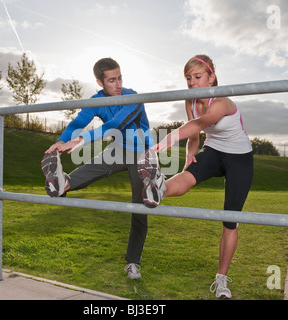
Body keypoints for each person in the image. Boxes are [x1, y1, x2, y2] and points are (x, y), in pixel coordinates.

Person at [138, 54, 253, 299]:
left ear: (211, 77)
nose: (191, 83)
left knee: (229, 219)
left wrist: (170, 137)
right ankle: (158, 188)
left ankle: (221, 279)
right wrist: (190, 154)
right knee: (187, 176)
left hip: (239, 157)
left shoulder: (221, 100)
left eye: (197, 77)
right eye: (188, 78)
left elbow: (202, 122)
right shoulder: (189, 101)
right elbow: (194, 135)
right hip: (213, 151)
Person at [41, 58, 154, 280]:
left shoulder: (134, 97)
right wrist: (61, 142)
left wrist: (81, 140)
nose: (118, 83)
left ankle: (132, 263)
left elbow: (115, 125)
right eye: (112, 80)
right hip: (119, 148)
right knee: (91, 167)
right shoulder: (97, 100)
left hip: (142, 152)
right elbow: (77, 122)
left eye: (120, 77)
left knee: (139, 208)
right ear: (100, 82)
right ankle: (63, 183)